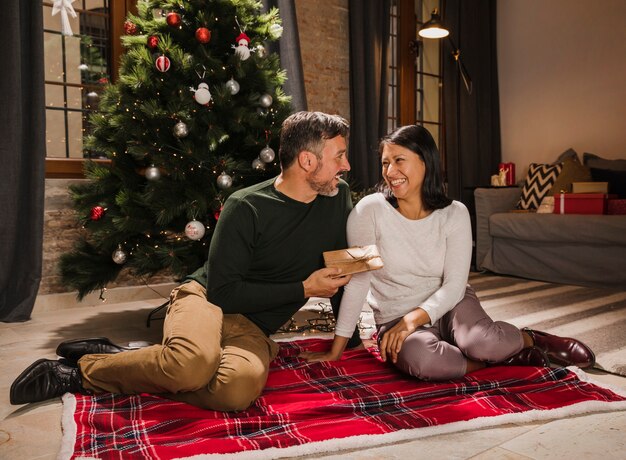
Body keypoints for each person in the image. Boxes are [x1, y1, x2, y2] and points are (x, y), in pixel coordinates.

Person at [10, 111, 362, 410]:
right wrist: (303, 288)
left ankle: (137, 357)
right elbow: (224, 293)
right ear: (307, 160)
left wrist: (347, 341)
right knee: (191, 367)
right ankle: (80, 372)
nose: (346, 166)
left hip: (254, 327)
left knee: (237, 390)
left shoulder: (336, 196)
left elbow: (339, 265)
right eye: (339, 156)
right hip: (206, 300)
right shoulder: (247, 206)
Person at [301, 124, 595, 380]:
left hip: (452, 304)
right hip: (394, 317)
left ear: (426, 161)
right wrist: (336, 349)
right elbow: (360, 281)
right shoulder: (369, 211)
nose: (390, 172)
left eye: (399, 160)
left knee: (482, 341)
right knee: (423, 361)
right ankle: (498, 361)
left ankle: (530, 340)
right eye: (385, 163)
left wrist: (413, 319)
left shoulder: (454, 213)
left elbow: (454, 284)